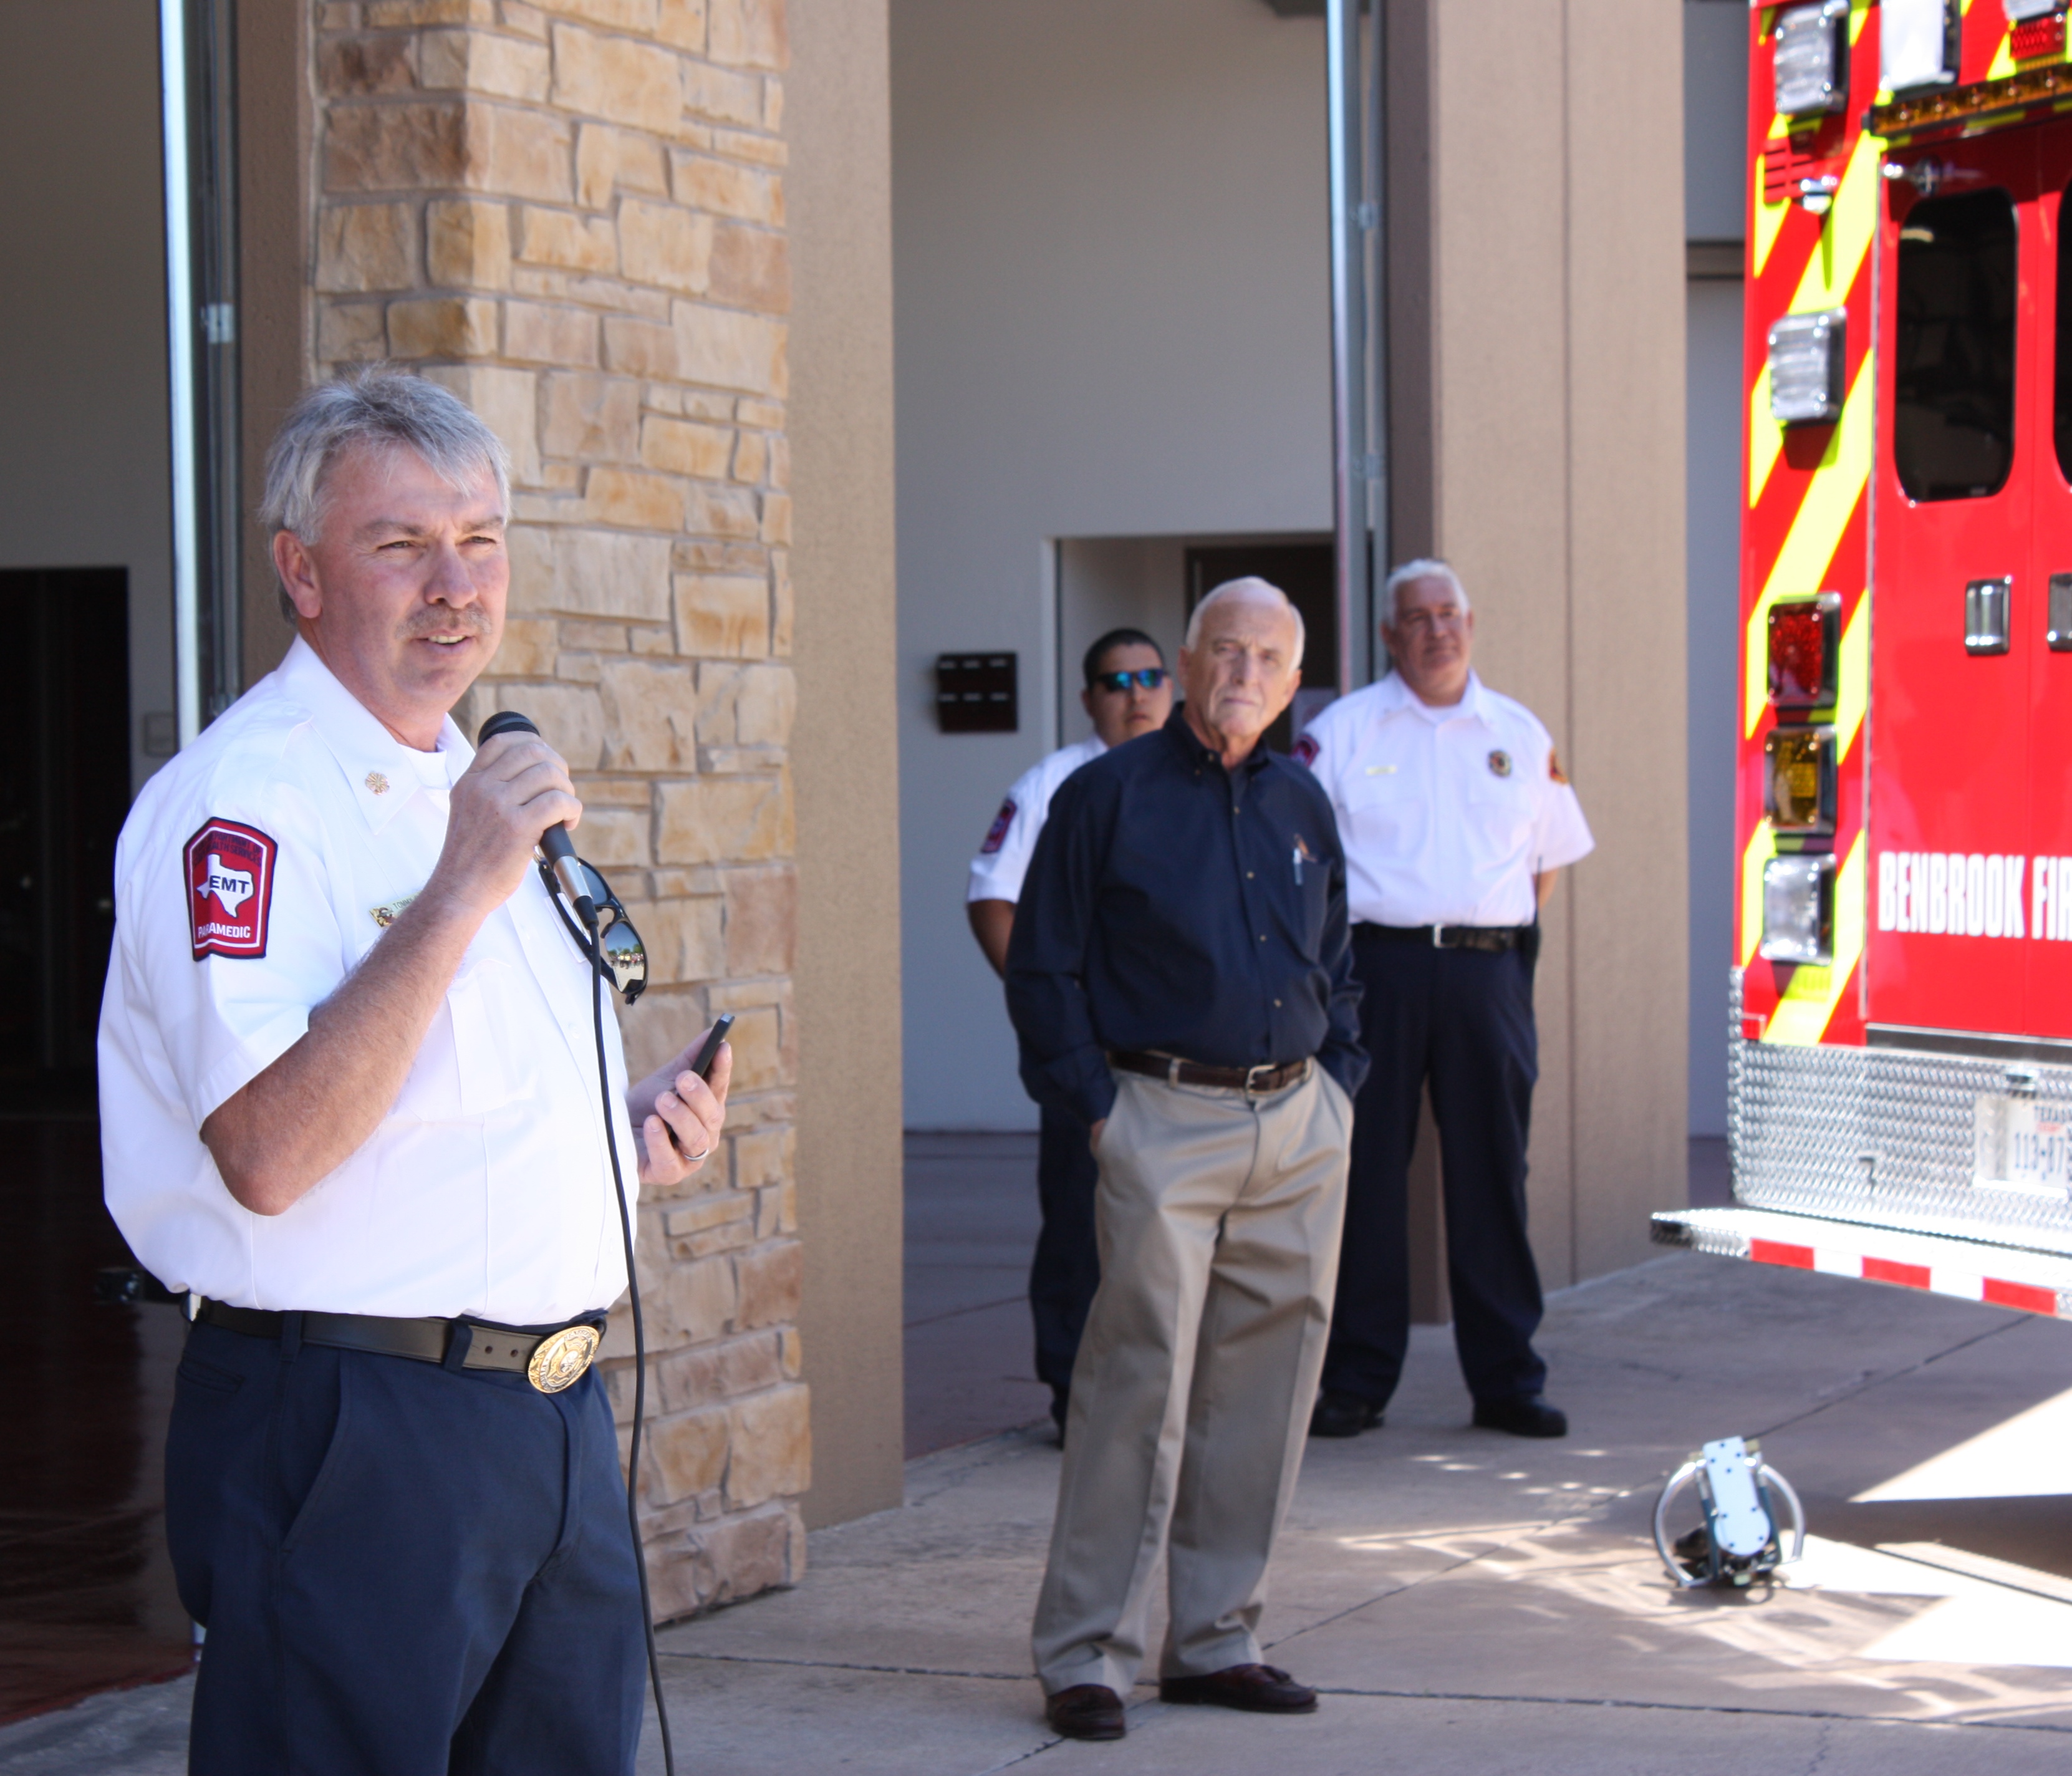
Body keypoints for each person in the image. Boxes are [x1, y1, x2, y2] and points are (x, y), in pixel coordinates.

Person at [97, 369, 734, 1775]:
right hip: (353, 1427)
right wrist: (458, 890)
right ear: (301, 571)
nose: (456, 586)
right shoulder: (242, 806)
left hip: (550, 1420)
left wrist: (621, 1129)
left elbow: (445, 1093)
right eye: (402, 545)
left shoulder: (475, 781)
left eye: (481, 540)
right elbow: (267, 1148)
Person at [1007, 577, 1365, 1742]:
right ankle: (1088, 1653)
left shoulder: (1303, 800)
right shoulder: (1106, 795)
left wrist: (1338, 1087)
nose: (1244, 674)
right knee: (1136, 1385)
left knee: (1267, 1389)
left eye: (1268, 658)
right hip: (1160, 1117)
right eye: (1226, 651)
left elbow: (1339, 957)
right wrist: (1097, 1112)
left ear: (1293, 682)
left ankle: (1217, 1638)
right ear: (1189, 658)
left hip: (1297, 1126)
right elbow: (1044, 965)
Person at [1295, 558, 1593, 1442]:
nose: (1437, 631)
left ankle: (1507, 1381)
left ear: (1471, 624)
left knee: (1492, 1175)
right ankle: (1356, 1380)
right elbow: (1301, 861)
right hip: (1373, 974)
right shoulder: (1342, 732)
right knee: (1367, 1176)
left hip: (1485, 977)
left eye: (1449, 614)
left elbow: (1544, 864)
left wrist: (1484, 939)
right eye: (1417, 618)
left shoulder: (1519, 733)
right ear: (1390, 635)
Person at [966, 628, 1173, 1434]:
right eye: (1116, 682)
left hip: (1185, 1051)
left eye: (1150, 677)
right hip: (1091, 1050)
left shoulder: (1200, 780)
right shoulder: (1054, 784)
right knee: (1082, 1227)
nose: (1136, 695)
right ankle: (1075, 1395)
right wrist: (1051, 1009)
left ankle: (1169, 1391)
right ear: (1089, 699)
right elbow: (993, 899)